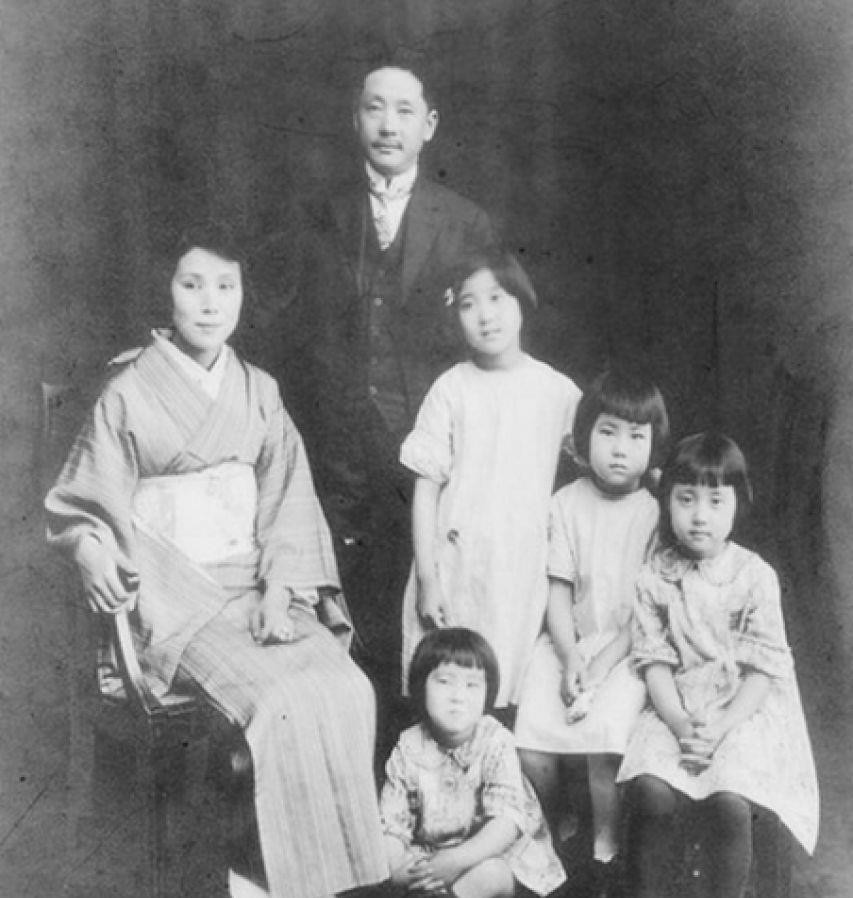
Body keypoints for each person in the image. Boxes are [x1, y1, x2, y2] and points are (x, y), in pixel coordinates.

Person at [44, 225, 389, 898]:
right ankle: (264, 880)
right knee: (277, 699)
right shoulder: (126, 392)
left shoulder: (259, 390)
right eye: (192, 285)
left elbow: (288, 497)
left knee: (349, 686)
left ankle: (314, 879)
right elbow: (83, 501)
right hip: (174, 600)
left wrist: (280, 589)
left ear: (242, 296)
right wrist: (87, 546)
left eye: (225, 287)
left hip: (256, 589)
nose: (209, 302)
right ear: (168, 294)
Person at [245, 64, 497, 748]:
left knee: (425, 613)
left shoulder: (465, 223)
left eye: (404, 111)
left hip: (426, 455)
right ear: (354, 119)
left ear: (429, 125)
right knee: (346, 615)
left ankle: (417, 770)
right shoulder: (313, 213)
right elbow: (267, 319)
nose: (389, 125)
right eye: (374, 109)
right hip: (334, 449)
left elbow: (498, 330)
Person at [616, 432, 819, 898]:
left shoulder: (754, 575)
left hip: (742, 708)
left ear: (737, 505)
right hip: (674, 704)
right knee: (651, 790)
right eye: (685, 499)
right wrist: (680, 723)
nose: (699, 516)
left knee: (730, 801)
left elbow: (763, 670)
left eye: (715, 501)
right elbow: (654, 661)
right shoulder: (654, 576)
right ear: (667, 502)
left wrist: (722, 726)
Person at [399, 249, 582, 718]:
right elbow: (426, 489)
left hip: (519, 568)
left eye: (497, 298)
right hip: (455, 562)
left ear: (521, 301)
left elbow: (594, 458)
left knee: (503, 693)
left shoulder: (557, 391)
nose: (485, 315)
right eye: (468, 304)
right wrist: (428, 579)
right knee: (447, 691)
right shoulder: (451, 388)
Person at [514, 369, 669, 897]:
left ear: (652, 446)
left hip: (627, 647)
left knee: (604, 743)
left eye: (636, 436)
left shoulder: (654, 514)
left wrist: (601, 666)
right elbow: (558, 592)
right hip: (567, 642)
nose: (620, 449)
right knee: (532, 746)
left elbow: (645, 610)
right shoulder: (565, 502)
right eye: (608, 432)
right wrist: (570, 656)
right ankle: (556, 821)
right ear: (584, 437)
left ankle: (605, 838)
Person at [379, 627, 566, 898]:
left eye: (472, 685)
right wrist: (403, 870)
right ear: (420, 686)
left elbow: (506, 825)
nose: (458, 696)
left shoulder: (496, 741)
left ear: (487, 693)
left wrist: (455, 861)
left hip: (493, 853)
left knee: (490, 874)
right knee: (399, 874)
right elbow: (392, 825)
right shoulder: (409, 746)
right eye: (445, 682)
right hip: (433, 856)